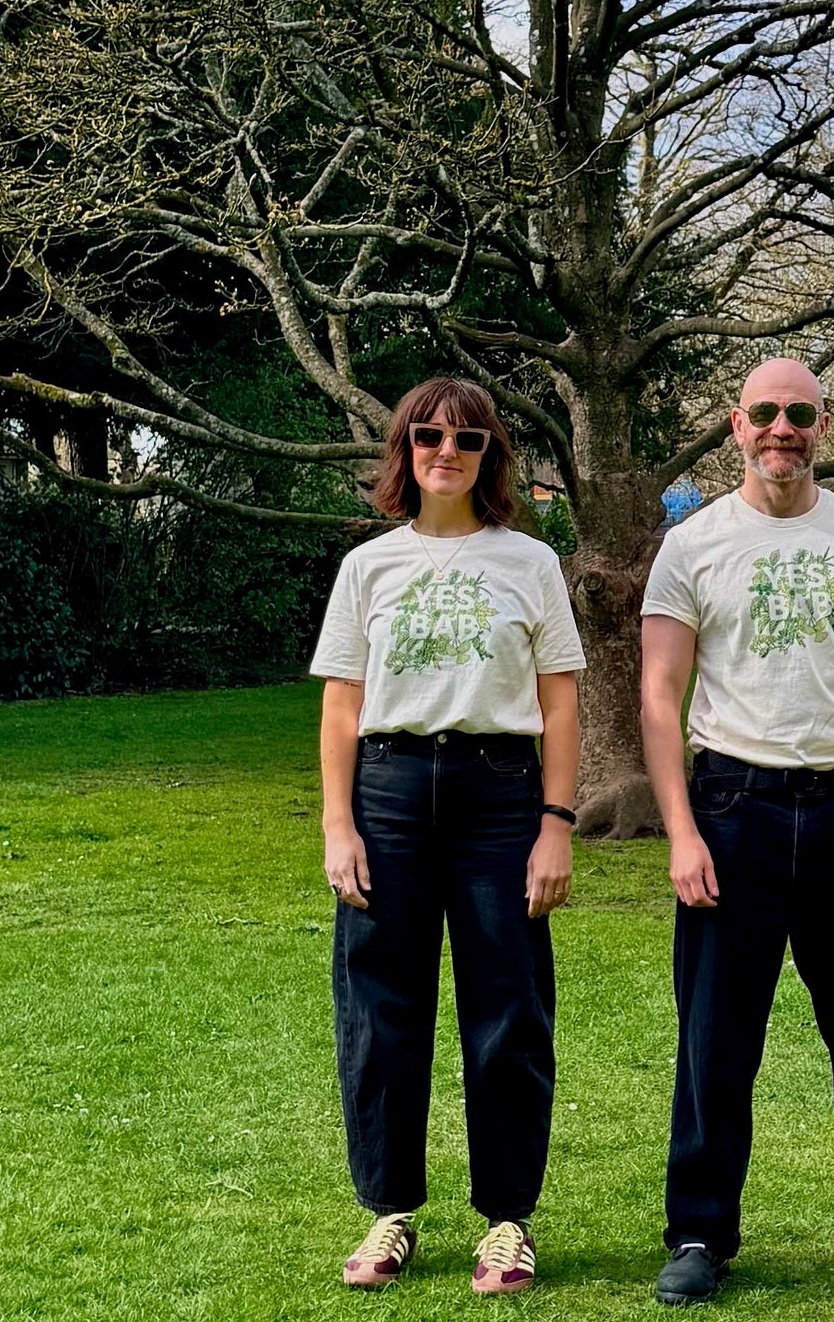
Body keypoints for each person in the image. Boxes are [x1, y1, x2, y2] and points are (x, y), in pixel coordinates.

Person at [638, 358, 834, 1310]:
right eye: (765, 412)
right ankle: (699, 1232)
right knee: (715, 1040)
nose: (783, 428)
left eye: (799, 413)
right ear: (737, 425)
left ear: (822, 426)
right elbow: (658, 695)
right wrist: (681, 831)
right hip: (733, 811)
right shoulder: (692, 545)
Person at [311, 377, 584, 1296]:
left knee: (509, 1009)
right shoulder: (369, 567)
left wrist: (556, 825)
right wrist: (338, 824)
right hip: (387, 794)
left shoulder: (530, 563)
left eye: (467, 440)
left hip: (499, 796)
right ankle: (389, 1209)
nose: (447, 452)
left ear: (489, 455)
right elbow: (341, 705)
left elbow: (560, 702)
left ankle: (508, 1220)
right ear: (405, 448)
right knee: (380, 1010)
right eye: (429, 435)